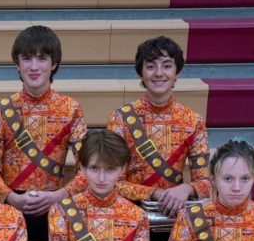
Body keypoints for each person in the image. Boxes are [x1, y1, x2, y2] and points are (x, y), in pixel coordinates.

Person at [74, 36, 210, 219]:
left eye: (167, 66)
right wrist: (153, 193)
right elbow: (113, 181)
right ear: (141, 73)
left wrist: (187, 188)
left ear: (178, 72)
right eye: (151, 66)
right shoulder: (121, 118)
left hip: (174, 212)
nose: (159, 73)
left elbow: (205, 182)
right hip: (126, 211)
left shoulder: (194, 121)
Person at [0, 25, 88, 241]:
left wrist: (59, 196)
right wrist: (11, 198)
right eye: (26, 58)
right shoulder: (0, 110)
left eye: (42, 58)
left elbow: (88, 169)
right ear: (17, 64)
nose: (34, 67)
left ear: (54, 64)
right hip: (8, 205)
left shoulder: (72, 108)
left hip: (54, 205)